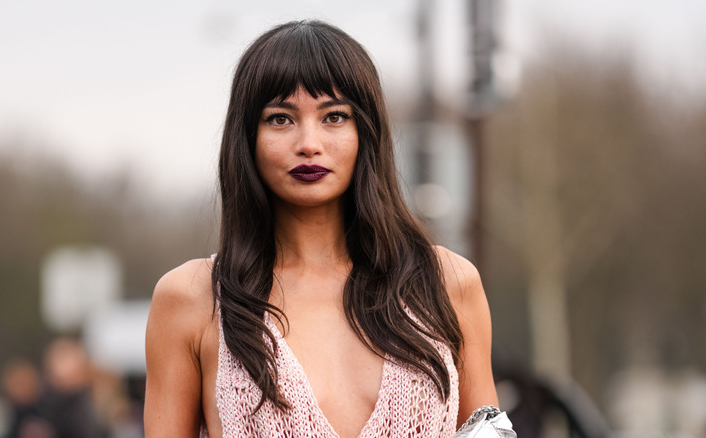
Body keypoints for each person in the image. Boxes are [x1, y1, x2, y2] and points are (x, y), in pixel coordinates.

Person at [144, 20, 498, 437]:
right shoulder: (192, 300)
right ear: (247, 137)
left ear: (365, 131)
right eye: (280, 118)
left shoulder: (447, 284)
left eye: (334, 116)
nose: (309, 143)